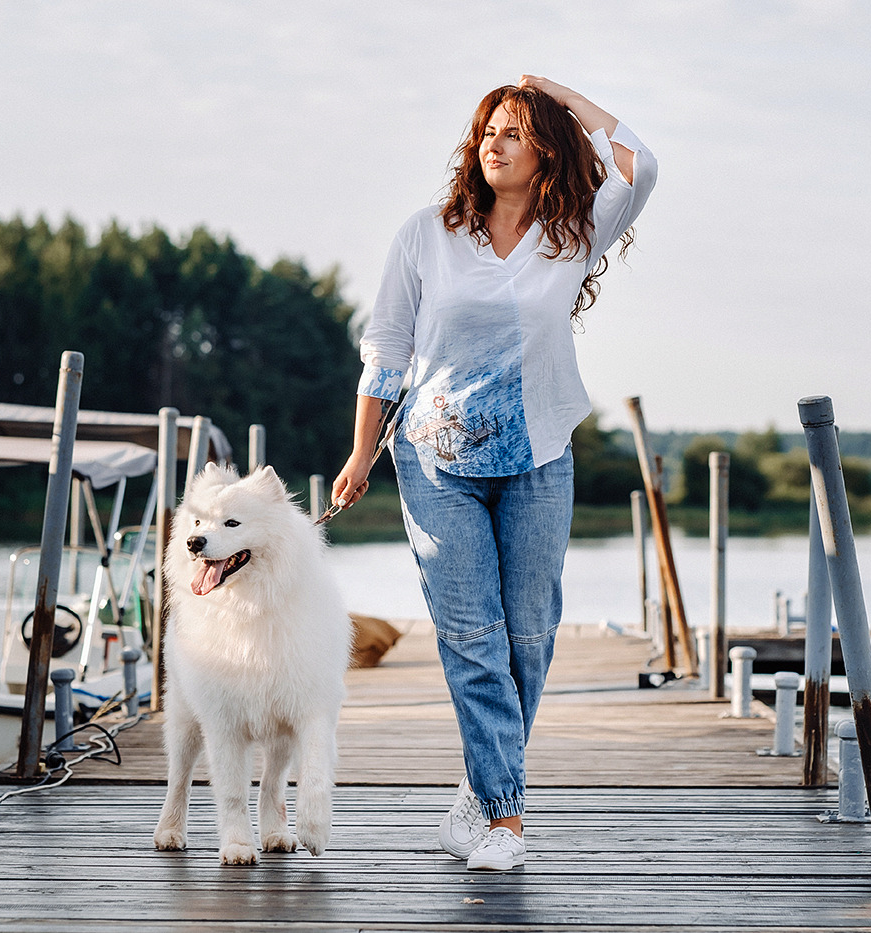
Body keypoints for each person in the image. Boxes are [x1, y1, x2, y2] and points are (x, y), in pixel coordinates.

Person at [331, 75, 657, 870]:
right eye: (486, 130)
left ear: (546, 146)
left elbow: (639, 165)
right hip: (437, 462)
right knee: (472, 635)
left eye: (513, 130)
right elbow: (387, 351)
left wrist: (555, 94)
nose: (493, 142)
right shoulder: (426, 235)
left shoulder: (571, 231)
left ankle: (479, 793)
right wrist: (360, 450)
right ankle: (508, 819)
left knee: (531, 636)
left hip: (539, 455)